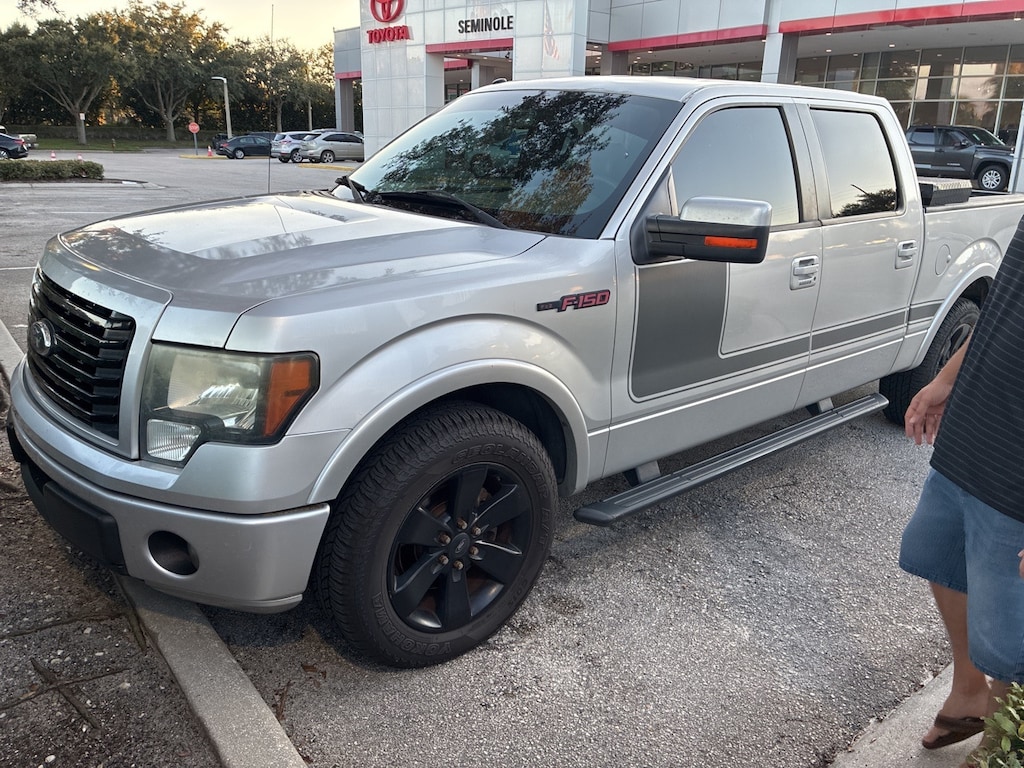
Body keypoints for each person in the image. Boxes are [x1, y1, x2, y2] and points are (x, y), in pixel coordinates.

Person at [899, 214, 1024, 766]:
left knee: (1009, 624)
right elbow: (1005, 307)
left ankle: (1007, 734)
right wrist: (947, 379)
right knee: (933, 551)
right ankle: (970, 689)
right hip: (978, 425)